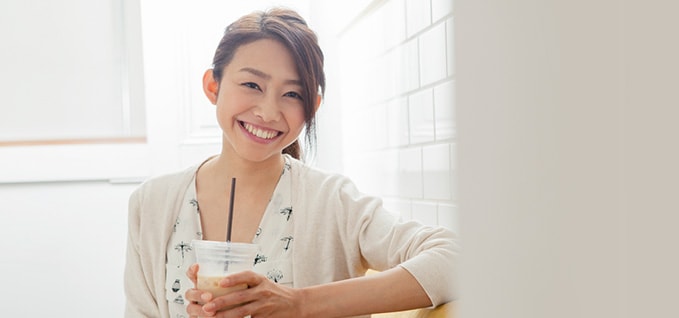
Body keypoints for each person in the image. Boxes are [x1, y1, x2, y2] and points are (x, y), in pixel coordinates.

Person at [124, 7, 458, 318]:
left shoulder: (332, 201)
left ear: (313, 105)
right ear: (213, 85)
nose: (268, 112)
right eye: (252, 85)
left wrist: (298, 302)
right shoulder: (152, 203)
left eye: (292, 94)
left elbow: (456, 260)